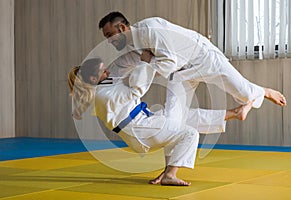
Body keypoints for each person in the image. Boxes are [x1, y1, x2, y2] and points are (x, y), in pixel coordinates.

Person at [68, 55, 254, 186]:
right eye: (103, 70)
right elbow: (136, 90)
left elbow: (126, 81)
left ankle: (234, 113)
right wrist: (145, 63)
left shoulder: (104, 86)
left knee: (180, 116)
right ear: (93, 78)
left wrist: (149, 65)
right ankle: (170, 175)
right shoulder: (103, 94)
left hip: (142, 125)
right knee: (189, 133)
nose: (108, 71)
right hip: (139, 129)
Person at [98, 11, 287, 113]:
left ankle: (265, 91)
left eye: (109, 35)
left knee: (244, 93)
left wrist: (147, 64)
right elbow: (123, 65)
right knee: (174, 118)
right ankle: (170, 172)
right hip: (180, 75)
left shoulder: (151, 30)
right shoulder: (133, 44)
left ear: (122, 28)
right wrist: (102, 82)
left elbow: (170, 61)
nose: (108, 40)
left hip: (203, 58)